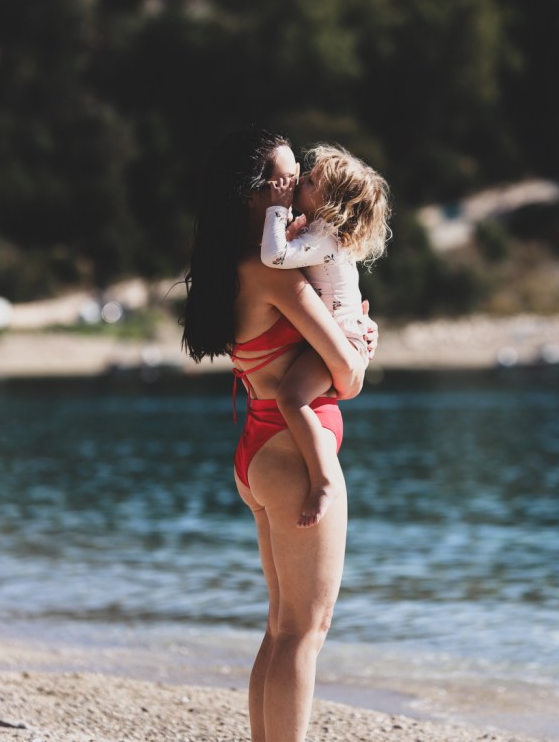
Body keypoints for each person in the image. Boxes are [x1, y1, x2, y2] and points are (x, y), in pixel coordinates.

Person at [181, 127, 377, 742]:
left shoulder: (235, 267)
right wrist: (363, 344)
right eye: (284, 178)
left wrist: (353, 337)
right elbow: (347, 377)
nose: (293, 187)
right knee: (304, 631)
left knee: (281, 626)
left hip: (259, 451)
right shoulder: (277, 276)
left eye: (297, 176)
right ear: (252, 194)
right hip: (292, 456)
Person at [260, 144, 390, 528]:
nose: (301, 180)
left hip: (343, 340)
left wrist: (276, 207)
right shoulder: (321, 235)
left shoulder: (325, 238)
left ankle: (325, 478)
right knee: (294, 395)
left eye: (311, 181)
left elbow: (274, 256)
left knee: (290, 397)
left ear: (330, 204)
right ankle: (324, 476)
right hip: (343, 336)